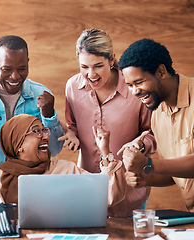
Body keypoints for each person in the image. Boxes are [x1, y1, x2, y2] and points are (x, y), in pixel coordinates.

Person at [118, 38, 194, 229]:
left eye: (139, 82)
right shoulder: (158, 114)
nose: (134, 91)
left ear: (161, 71)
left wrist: (148, 163)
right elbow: (175, 172)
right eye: (129, 85)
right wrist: (144, 178)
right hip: (192, 215)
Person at [58, 28, 156, 217]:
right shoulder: (72, 87)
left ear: (111, 60)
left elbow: (151, 132)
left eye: (98, 66)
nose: (91, 74)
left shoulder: (134, 88)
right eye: (84, 67)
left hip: (129, 189)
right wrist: (72, 134)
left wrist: (139, 144)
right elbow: (74, 127)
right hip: (87, 187)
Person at [0, 114, 126, 220]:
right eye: (36, 132)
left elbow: (110, 197)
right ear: (18, 145)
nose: (45, 136)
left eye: (44, 130)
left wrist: (105, 152)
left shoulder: (66, 169)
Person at [0, 35, 65, 189]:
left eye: (22, 69)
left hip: (29, 189)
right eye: (6, 69)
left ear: (28, 63)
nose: (15, 76)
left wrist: (48, 116)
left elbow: (53, 151)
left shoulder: (41, 94)